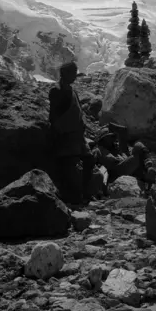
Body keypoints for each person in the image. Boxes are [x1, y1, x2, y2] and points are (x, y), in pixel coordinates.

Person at [49, 61, 96, 205]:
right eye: (73, 73)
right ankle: (75, 197)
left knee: (89, 159)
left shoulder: (71, 90)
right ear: (66, 74)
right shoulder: (57, 90)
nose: (75, 76)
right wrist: (60, 131)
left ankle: (85, 193)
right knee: (70, 168)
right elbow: (54, 116)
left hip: (78, 135)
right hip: (67, 136)